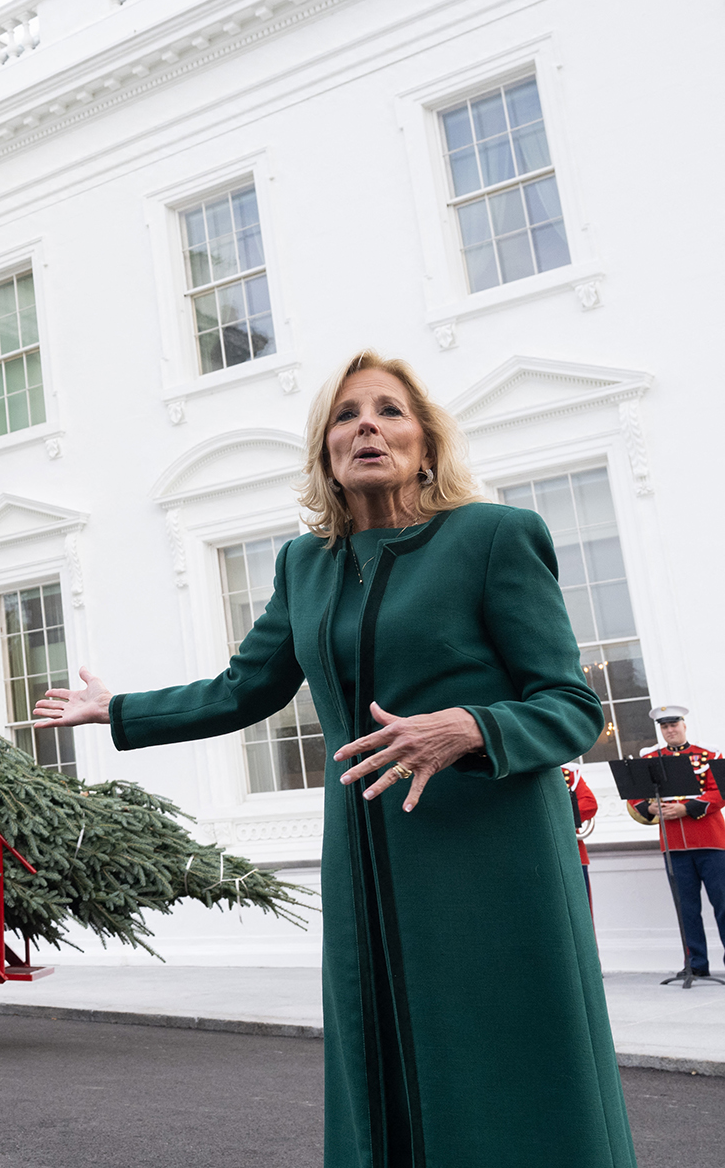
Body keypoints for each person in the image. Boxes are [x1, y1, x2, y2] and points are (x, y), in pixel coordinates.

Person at [34, 350, 633, 1168]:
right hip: (364, 859)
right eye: (346, 416)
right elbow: (245, 688)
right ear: (325, 452)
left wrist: (467, 727)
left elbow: (570, 706)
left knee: (507, 1067)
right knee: (376, 1058)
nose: (367, 426)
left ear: (425, 442)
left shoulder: (494, 537)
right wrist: (120, 709)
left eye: (390, 411)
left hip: (491, 858)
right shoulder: (304, 564)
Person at [624, 705, 725, 978]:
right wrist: (651, 807)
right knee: (686, 910)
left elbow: (719, 792)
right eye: (665, 727)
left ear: (684, 725)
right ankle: (696, 965)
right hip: (673, 845)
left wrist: (687, 808)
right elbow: (636, 794)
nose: (670, 730)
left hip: (711, 843)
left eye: (674, 724)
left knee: (724, 905)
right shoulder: (651, 758)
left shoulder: (709, 755)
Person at [565, 764, 598, 904]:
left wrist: (556, 817)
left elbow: (590, 804)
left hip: (571, 851)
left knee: (580, 907)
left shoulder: (568, 772)